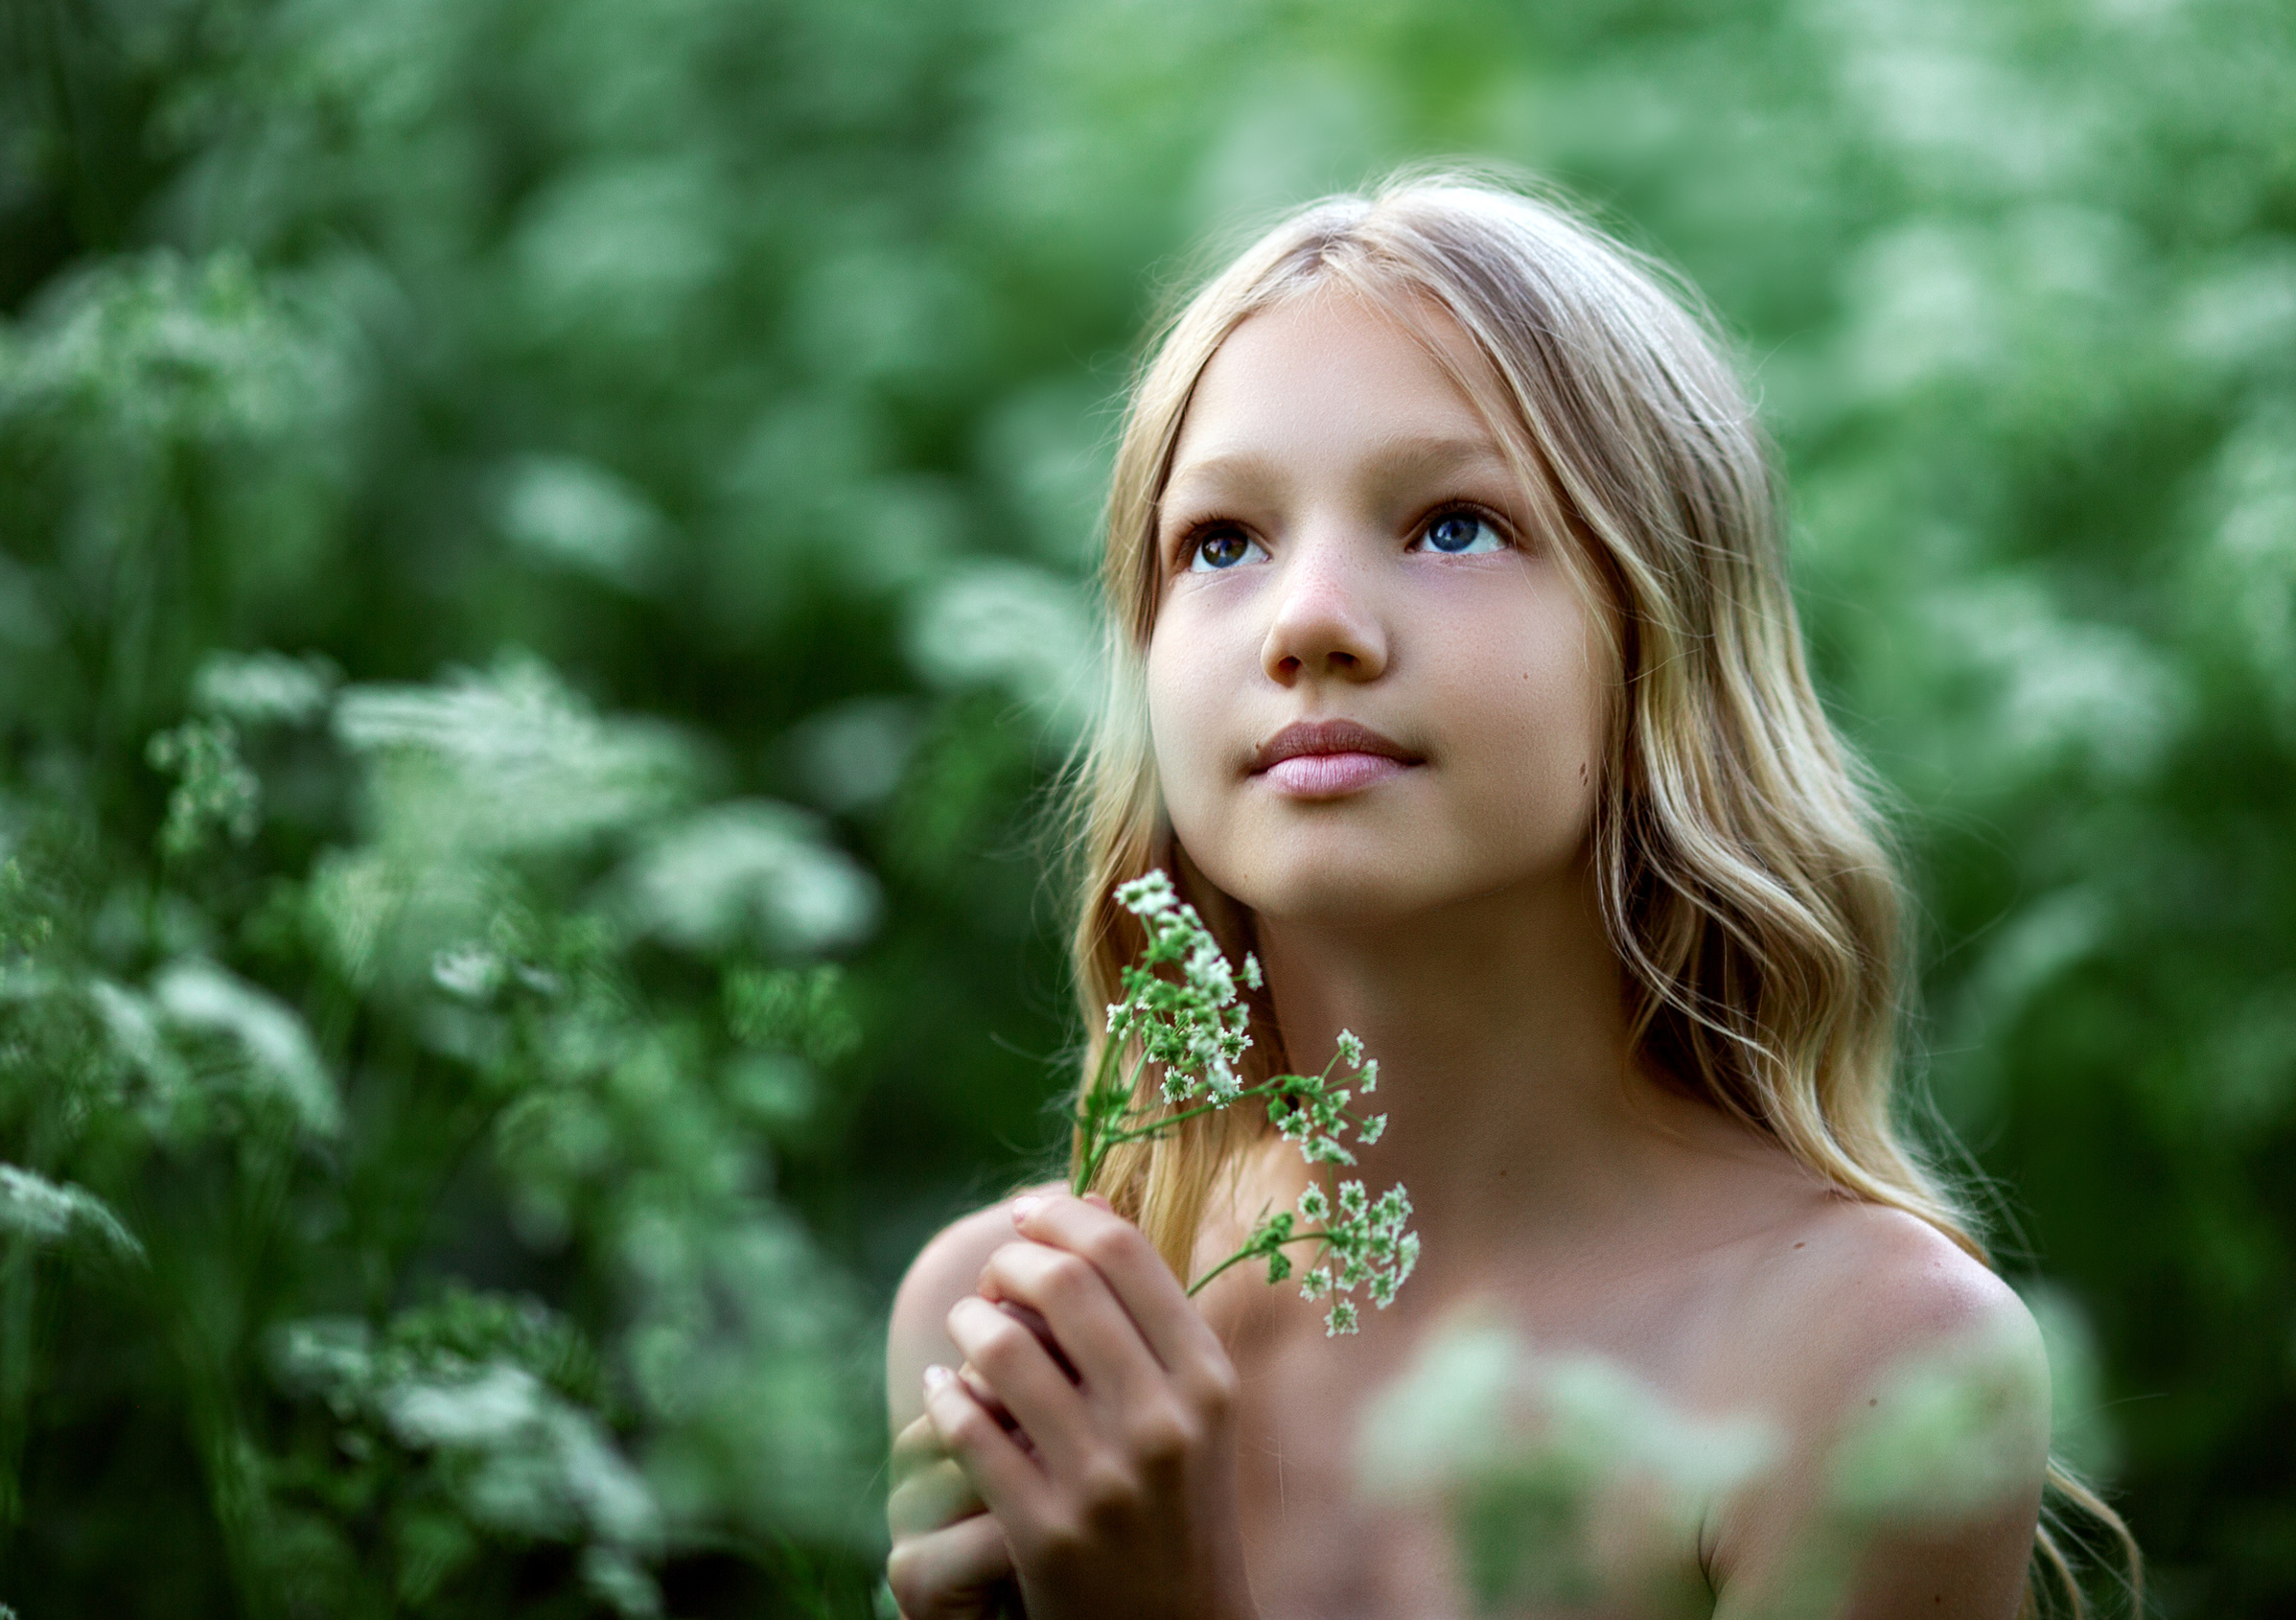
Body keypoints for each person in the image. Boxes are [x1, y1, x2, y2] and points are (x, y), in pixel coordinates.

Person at [881, 169, 2131, 1619]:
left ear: (1658, 638)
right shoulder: (1015, 1324)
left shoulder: (1865, 1364)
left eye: (1451, 525)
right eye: (1221, 542)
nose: (1309, 624)